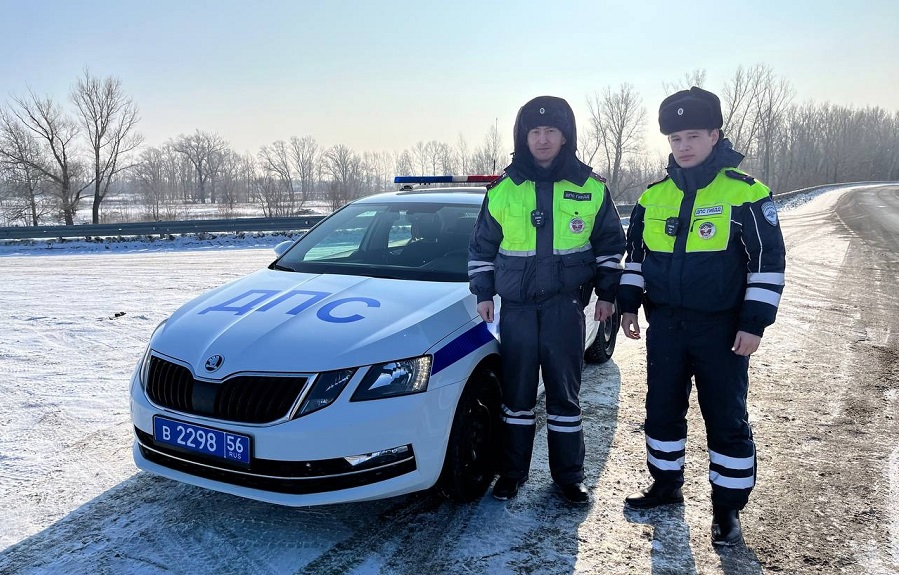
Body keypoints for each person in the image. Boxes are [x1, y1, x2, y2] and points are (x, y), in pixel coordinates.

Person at [617, 86, 786, 545]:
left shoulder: (747, 194)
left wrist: (754, 323)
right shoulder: (654, 198)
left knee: (725, 415)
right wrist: (628, 306)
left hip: (723, 329)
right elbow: (635, 259)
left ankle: (727, 509)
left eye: (693, 135)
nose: (684, 146)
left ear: (715, 135)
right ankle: (666, 485)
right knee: (661, 408)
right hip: (666, 326)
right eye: (675, 138)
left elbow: (767, 263)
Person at [468, 95, 626, 504]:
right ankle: (512, 473)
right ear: (523, 136)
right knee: (516, 397)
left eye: (550, 131)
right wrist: (484, 293)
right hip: (517, 310)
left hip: (565, 306)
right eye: (534, 131)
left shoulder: (590, 187)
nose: (541, 139)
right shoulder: (503, 190)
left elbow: (610, 246)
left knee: (564, 397)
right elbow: (483, 247)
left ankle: (569, 477)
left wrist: (608, 295)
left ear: (564, 136)